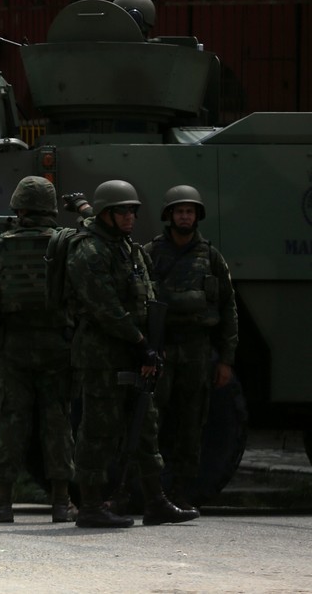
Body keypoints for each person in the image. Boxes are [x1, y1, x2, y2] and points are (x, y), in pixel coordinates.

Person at [67, 180, 199, 528]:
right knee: (98, 428)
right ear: (106, 214)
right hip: (102, 355)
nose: (130, 217)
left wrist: (150, 346)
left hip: (134, 350)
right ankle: (91, 504)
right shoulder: (90, 251)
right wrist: (141, 342)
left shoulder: (129, 249)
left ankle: (156, 501)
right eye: (123, 211)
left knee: (145, 424)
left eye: (133, 211)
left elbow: (146, 296)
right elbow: (105, 308)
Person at [0, 176, 78, 524]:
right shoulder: (67, 244)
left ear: (19, 207)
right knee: (57, 422)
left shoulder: (0, 246)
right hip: (57, 345)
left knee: (11, 423)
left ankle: (2, 502)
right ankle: (61, 502)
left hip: (12, 345)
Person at [144, 185, 238, 511]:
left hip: (197, 350)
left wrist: (225, 359)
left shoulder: (211, 256)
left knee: (191, 423)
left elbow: (228, 309)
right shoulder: (151, 253)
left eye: (190, 211)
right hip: (163, 349)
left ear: (197, 216)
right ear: (169, 215)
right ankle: (146, 490)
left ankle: (182, 491)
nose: (185, 216)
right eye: (179, 211)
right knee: (149, 422)